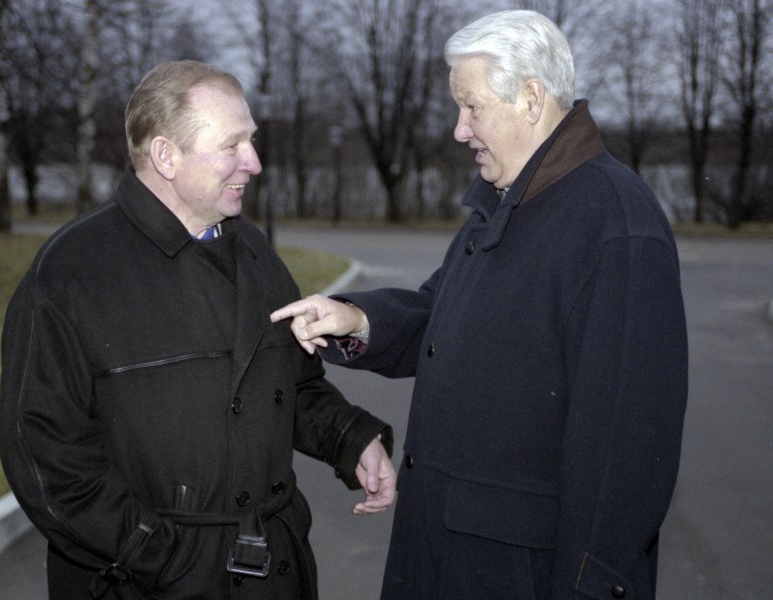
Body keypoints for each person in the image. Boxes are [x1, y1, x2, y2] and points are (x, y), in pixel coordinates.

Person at [271, 10, 688, 600]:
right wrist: (357, 319)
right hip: (447, 555)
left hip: (519, 573)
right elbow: (441, 316)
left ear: (531, 99)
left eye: (472, 107)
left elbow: (627, 453)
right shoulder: (505, 202)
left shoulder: (615, 225)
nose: (459, 130)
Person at [0, 59, 396, 600]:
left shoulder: (253, 251)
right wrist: (161, 557)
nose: (254, 162)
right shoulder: (70, 273)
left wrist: (351, 438)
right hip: (143, 583)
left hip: (275, 575)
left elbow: (293, 384)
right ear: (166, 156)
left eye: (251, 141)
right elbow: (45, 457)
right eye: (232, 145)